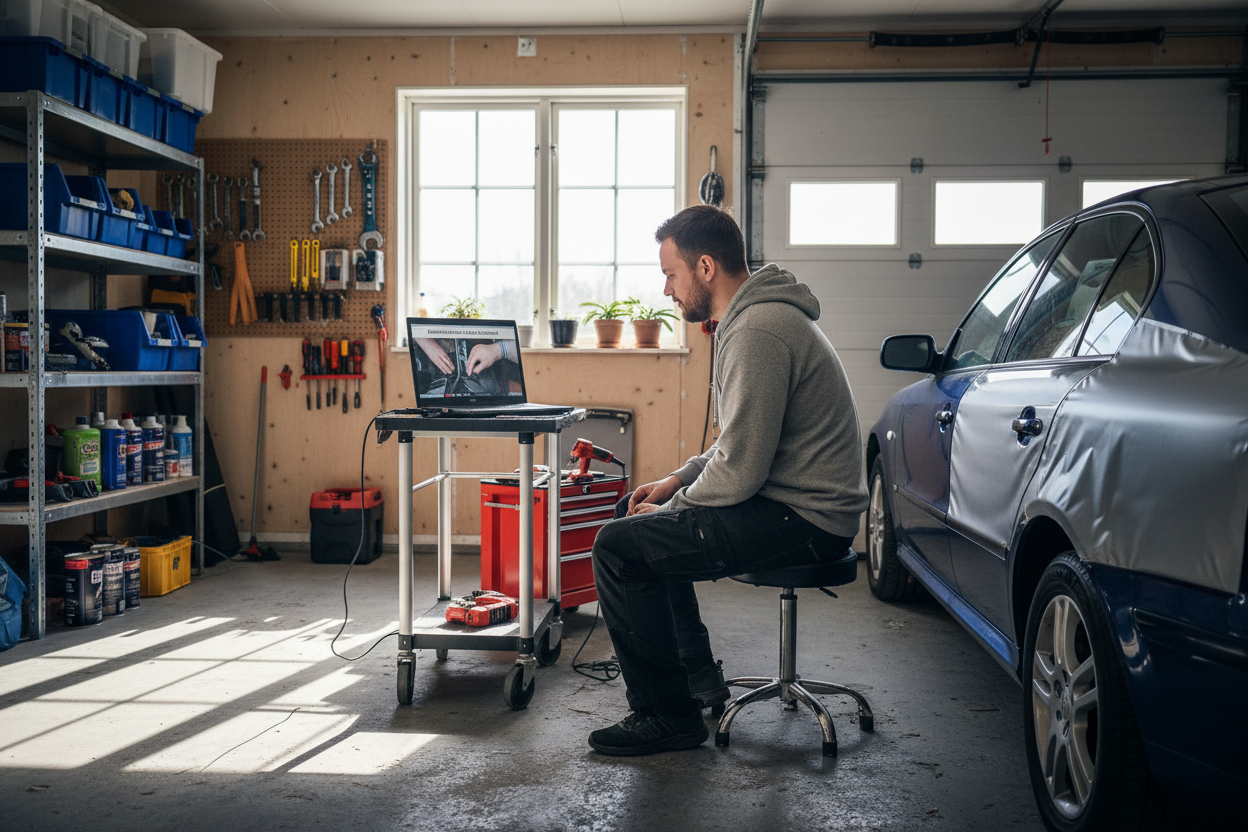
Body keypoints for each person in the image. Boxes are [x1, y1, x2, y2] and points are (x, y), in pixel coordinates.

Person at [587, 205, 868, 757]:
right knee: (641, 529)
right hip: (795, 506)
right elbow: (738, 439)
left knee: (620, 547)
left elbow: (739, 469)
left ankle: (667, 716)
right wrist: (674, 483)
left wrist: (673, 513)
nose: (667, 289)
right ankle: (696, 683)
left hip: (805, 518)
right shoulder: (757, 320)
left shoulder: (759, 330)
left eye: (671, 274)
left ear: (706, 267)